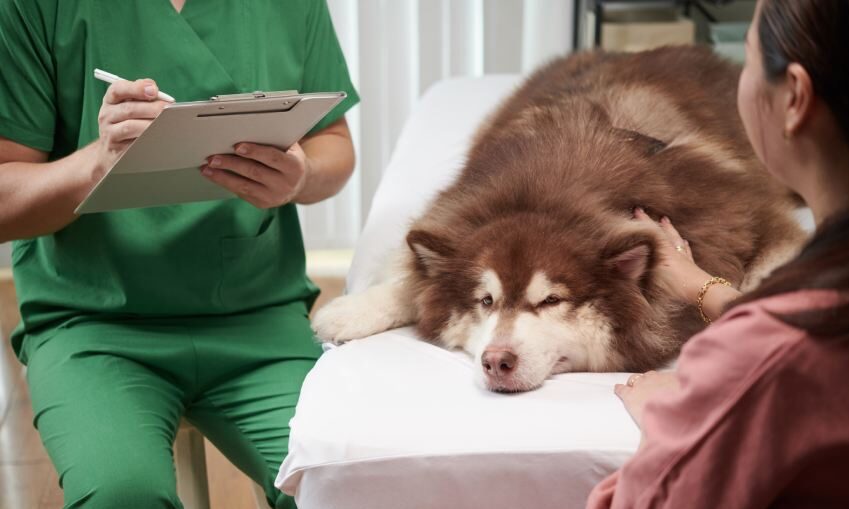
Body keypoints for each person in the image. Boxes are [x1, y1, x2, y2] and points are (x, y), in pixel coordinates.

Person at [0, 1, 358, 508]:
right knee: (121, 496)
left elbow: (335, 146)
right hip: (94, 325)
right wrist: (97, 165)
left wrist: (300, 175)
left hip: (257, 316)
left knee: (345, 482)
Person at [587, 0, 849, 507]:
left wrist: (678, 425)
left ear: (794, 96)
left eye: (747, 59)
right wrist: (704, 289)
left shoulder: (758, 361)